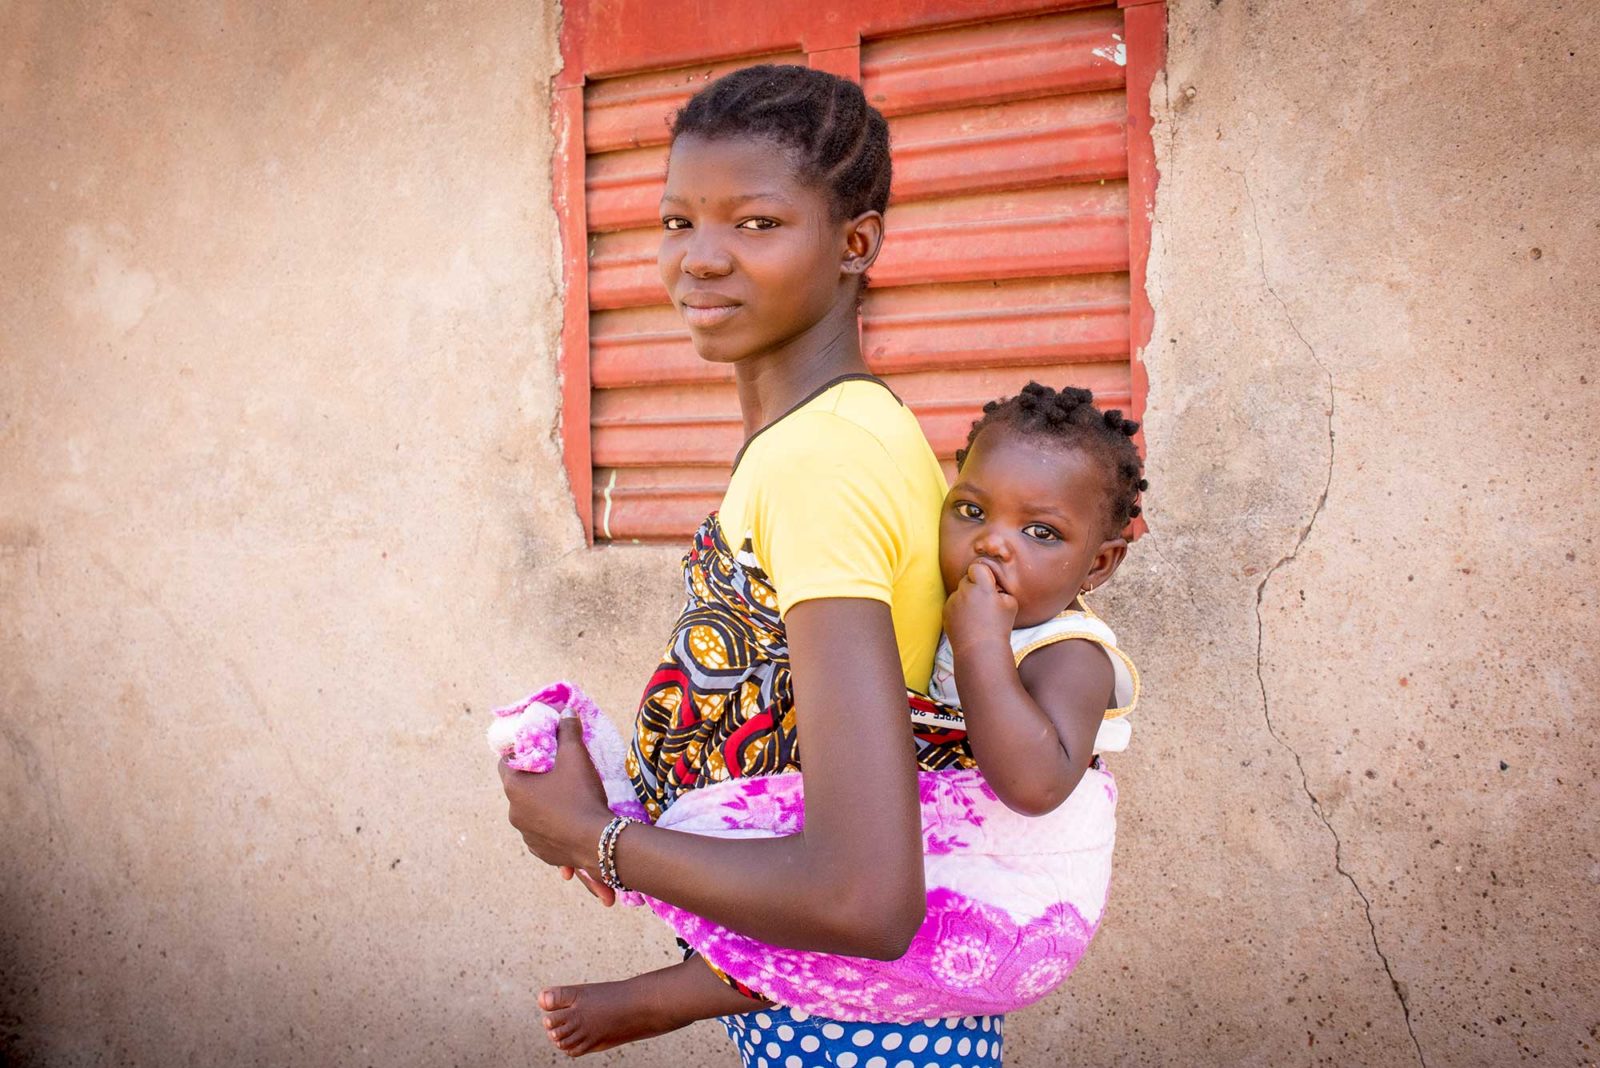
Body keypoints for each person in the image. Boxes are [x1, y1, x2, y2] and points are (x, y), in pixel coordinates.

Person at [520, 382, 1146, 1059]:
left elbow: (1034, 785)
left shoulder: (1071, 652)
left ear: (1099, 563)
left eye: (1040, 532)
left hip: (1012, 906)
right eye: (970, 510)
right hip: (939, 880)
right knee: (807, 893)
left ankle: (671, 995)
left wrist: (979, 645)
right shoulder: (951, 609)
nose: (994, 544)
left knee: (844, 915)